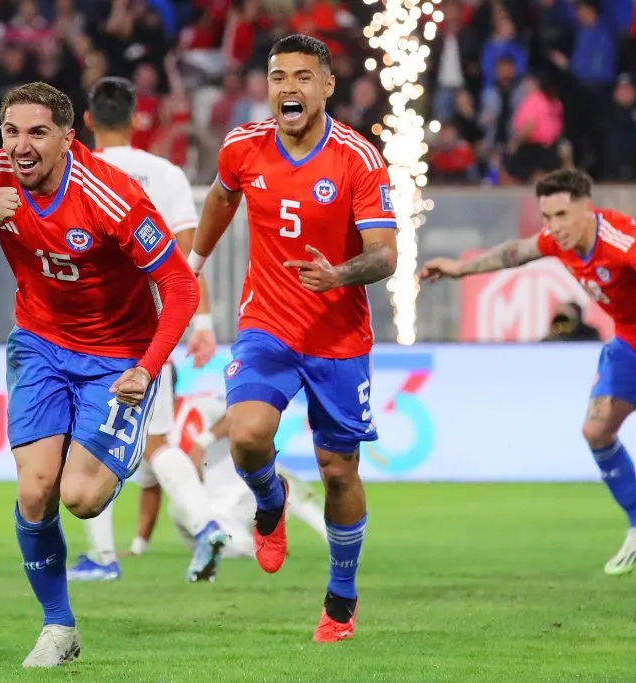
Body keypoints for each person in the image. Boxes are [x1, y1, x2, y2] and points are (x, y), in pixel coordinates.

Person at [0, 82, 199, 668]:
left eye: (37, 133)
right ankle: (58, 626)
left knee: (80, 498)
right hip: (40, 345)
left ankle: (121, 447)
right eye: (11, 132)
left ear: (67, 138)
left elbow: (180, 285)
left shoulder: (112, 194)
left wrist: (148, 367)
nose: (21, 146)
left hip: (117, 358)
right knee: (34, 490)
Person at [189, 34, 399, 642]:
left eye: (303, 77)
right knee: (247, 435)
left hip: (339, 338)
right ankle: (270, 500)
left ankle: (342, 596)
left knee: (338, 471)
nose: (289, 87)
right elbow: (222, 196)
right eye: (279, 76)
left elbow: (385, 254)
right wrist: (195, 261)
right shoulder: (243, 146)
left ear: (327, 86)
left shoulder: (358, 159)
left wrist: (338, 274)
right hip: (268, 325)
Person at [419, 168, 636, 576]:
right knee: (596, 430)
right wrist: (459, 268)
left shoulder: (619, 238)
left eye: (561, 215)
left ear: (586, 209)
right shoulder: (558, 241)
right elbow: (515, 252)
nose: (553, 227)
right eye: (546, 217)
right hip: (631, 347)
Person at [66, 75, 228, 584]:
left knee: (82, 441)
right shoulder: (166, 173)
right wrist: (202, 323)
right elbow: (189, 256)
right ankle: (205, 525)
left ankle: (102, 557)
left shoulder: (74, 170)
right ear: (136, 119)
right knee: (156, 443)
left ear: (87, 121)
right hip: (154, 326)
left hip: (88, 328)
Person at [132, 380, 329, 559]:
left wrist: (203, 441)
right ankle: (252, 550)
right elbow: (150, 489)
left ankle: (329, 533)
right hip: (218, 511)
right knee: (178, 510)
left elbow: (238, 416)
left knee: (276, 480)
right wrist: (138, 546)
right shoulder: (146, 436)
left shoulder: (199, 405)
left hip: (247, 492)